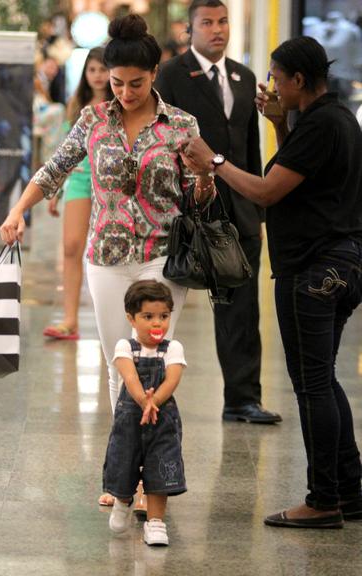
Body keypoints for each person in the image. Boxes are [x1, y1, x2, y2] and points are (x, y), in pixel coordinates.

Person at [0, 14, 214, 507]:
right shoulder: (93, 118)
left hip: (162, 257)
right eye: (116, 83)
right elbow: (57, 167)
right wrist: (18, 209)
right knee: (121, 369)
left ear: (154, 73)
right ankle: (124, 471)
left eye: (135, 83)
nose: (125, 92)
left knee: (154, 366)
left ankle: (146, 482)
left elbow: (196, 198)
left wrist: (205, 178)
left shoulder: (181, 125)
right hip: (106, 256)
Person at [182, 36, 362, 528]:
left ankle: (323, 499)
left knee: (311, 387)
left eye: (278, 79)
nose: (272, 87)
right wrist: (280, 123)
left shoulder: (323, 123)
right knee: (323, 379)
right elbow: (295, 176)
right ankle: (350, 490)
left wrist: (214, 162)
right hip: (341, 265)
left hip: (313, 269)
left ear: (299, 80)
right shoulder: (336, 119)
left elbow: (265, 191)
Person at [155, 0, 281, 424]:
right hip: (186, 212)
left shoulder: (244, 78)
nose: (217, 30)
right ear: (190, 30)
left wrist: (257, 215)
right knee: (163, 303)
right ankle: (149, 393)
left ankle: (242, 399)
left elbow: (249, 147)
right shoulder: (170, 76)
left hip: (239, 211)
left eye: (223, 21)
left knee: (242, 309)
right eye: (206, 23)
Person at [105, 279, 186, 546]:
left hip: (162, 421)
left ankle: (155, 523)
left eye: (163, 316)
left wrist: (155, 402)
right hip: (131, 418)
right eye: (148, 316)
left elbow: (172, 379)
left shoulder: (173, 348)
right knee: (124, 461)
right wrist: (144, 400)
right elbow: (129, 378)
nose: (157, 323)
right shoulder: (125, 346)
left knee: (160, 467)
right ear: (131, 317)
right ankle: (122, 500)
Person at [43, 47, 111, 340]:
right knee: (71, 246)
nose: (97, 76)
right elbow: (64, 150)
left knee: (109, 252)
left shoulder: (122, 102)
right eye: (92, 70)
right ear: (85, 73)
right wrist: (56, 188)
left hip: (111, 184)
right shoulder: (77, 104)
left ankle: (113, 320)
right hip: (80, 180)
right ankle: (70, 319)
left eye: (103, 69)